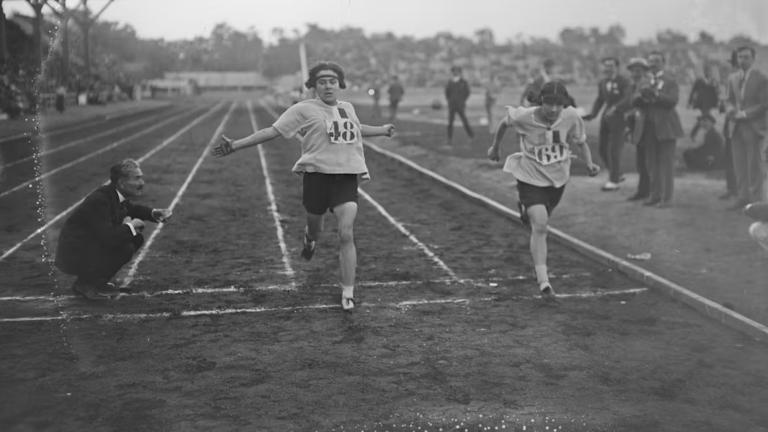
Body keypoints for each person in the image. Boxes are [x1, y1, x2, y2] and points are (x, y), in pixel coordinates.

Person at [211, 61, 395, 311]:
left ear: (339, 84)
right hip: (317, 177)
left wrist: (382, 130)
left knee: (346, 232)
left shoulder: (347, 107)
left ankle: (348, 292)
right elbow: (272, 131)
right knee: (315, 227)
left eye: (332, 81)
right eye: (322, 82)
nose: (328, 86)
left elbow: (356, 129)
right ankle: (310, 239)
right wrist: (236, 144)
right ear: (313, 86)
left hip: (346, 177)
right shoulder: (303, 109)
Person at [487, 81, 600, 298]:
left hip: (557, 179)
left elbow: (580, 141)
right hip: (530, 177)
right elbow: (504, 122)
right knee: (540, 226)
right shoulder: (524, 117)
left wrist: (589, 163)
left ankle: (526, 209)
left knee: (540, 219)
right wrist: (495, 147)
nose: (554, 110)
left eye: (559, 105)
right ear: (541, 101)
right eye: (549, 104)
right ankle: (544, 282)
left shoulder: (571, 116)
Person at [55, 159, 172, 300]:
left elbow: (132, 209)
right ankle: (86, 284)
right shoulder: (100, 200)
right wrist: (130, 226)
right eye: (137, 178)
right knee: (126, 244)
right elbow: (108, 238)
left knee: (134, 239)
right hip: (73, 255)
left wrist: (152, 213)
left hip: (85, 247)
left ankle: (97, 282)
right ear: (122, 183)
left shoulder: (113, 194)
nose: (142, 183)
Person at [632, 51, 684, 208]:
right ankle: (654, 195)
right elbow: (633, 100)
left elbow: (673, 101)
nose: (653, 64)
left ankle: (666, 198)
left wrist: (655, 94)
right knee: (651, 164)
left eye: (656, 61)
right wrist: (641, 97)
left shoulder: (669, 81)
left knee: (666, 164)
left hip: (666, 127)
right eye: (651, 61)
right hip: (648, 126)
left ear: (663, 63)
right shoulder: (644, 81)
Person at [724, 46, 768, 209]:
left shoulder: (761, 78)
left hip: (754, 127)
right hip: (735, 127)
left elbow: (764, 104)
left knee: (754, 165)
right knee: (739, 164)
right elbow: (728, 99)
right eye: (740, 57)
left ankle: (756, 201)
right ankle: (743, 197)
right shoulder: (732, 78)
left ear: (753, 59)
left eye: (746, 57)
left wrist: (744, 114)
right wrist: (730, 109)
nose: (742, 60)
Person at [583, 57, 631, 191]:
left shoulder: (624, 81)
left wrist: (616, 108)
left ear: (617, 67)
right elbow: (600, 100)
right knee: (602, 149)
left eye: (611, 66)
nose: (608, 69)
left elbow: (628, 98)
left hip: (620, 119)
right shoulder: (603, 82)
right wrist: (592, 114)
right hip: (606, 118)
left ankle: (614, 181)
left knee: (614, 150)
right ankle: (617, 173)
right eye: (606, 66)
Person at [624, 57, 653, 201]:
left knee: (647, 160)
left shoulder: (646, 84)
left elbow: (645, 104)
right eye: (633, 70)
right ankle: (644, 190)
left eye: (639, 70)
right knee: (641, 160)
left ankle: (647, 190)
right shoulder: (633, 85)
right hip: (637, 125)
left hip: (647, 125)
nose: (636, 73)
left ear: (644, 71)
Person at [719, 50, 740, 201]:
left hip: (742, 123)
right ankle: (731, 188)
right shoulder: (730, 80)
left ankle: (741, 190)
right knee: (729, 157)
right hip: (730, 124)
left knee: (740, 159)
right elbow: (724, 104)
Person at [444, 66, 474, 144]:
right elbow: (447, 93)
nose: (455, 72)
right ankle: (449, 138)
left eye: (457, 71)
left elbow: (467, 92)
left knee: (464, 121)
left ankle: (471, 135)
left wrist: (462, 100)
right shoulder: (449, 82)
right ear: (452, 72)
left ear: (459, 72)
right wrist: (450, 101)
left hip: (460, 105)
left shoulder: (463, 82)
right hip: (452, 105)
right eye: (454, 71)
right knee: (450, 123)